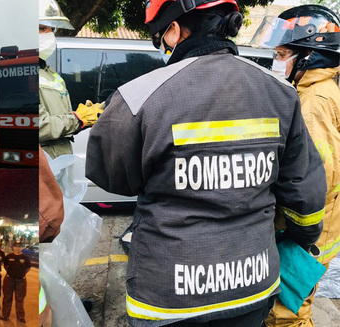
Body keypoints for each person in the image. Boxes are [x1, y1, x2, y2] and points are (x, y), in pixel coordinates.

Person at [85, 0, 328, 326]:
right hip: (253, 287)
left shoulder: (140, 95)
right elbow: (305, 195)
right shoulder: (282, 92)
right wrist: (304, 235)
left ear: (172, 30)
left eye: (159, 38)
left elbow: (112, 177)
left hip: (168, 297)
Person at [251, 5, 340, 326]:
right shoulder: (311, 91)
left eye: (282, 53)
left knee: (285, 314)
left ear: (309, 56)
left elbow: (315, 178)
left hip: (304, 235)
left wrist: (295, 233)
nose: (276, 61)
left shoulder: (314, 102)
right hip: (311, 230)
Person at [38, 0, 103, 158]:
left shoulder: (51, 74)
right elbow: (39, 126)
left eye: (51, 28)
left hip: (61, 157)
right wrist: (78, 118)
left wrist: (82, 115)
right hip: (43, 163)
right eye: (41, 28)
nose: (49, 33)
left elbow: (59, 119)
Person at [1, 241, 31, 323]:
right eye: (16, 246)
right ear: (13, 247)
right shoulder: (8, 256)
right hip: (9, 280)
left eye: (19, 246)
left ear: (21, 247)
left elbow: (28, 268)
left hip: (21, 280)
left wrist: (21, 274)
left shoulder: (25, 258)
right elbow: (5, 266)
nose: (17, 248)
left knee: (20, 299)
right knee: (7, 298)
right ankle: (5, 315)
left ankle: (20, 317)